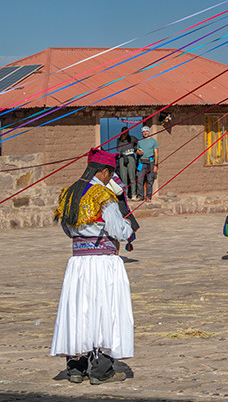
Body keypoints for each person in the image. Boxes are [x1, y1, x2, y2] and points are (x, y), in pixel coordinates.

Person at [51, 148, 134, 385]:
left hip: (78, 262)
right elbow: (117, 229)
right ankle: (101, 369)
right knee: (104, 310)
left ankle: (76, 367)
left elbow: (67, 229)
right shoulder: (102, 194)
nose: (110, 179)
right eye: (111, 174)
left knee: (79, 309)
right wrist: (127, 226)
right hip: (103, 262)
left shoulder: (68, 193)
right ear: (104, 172)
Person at [135, 126, 159, 200]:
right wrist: (138, 152)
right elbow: (137, 151)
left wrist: (155, 164)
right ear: (142, 133)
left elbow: (156, 153)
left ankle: (148, 197)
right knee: (140, 179)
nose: (145, 133)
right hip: (142, 162)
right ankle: (140, 196)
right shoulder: (139, 141)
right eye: (144, 131)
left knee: (149, 180)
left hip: (150, 162)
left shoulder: (153, 141)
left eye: (146, 131)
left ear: (149, 132)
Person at [115, 127, 139, 199]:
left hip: (130, 157)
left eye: (126, 132)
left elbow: (138, 144)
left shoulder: (132, 138)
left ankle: (133, 194)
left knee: (132, 176)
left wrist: (135, 149)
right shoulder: (119, 140)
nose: (125, 133)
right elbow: (119, 149)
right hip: (122, 158)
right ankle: (125, 195)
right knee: (123, 177)